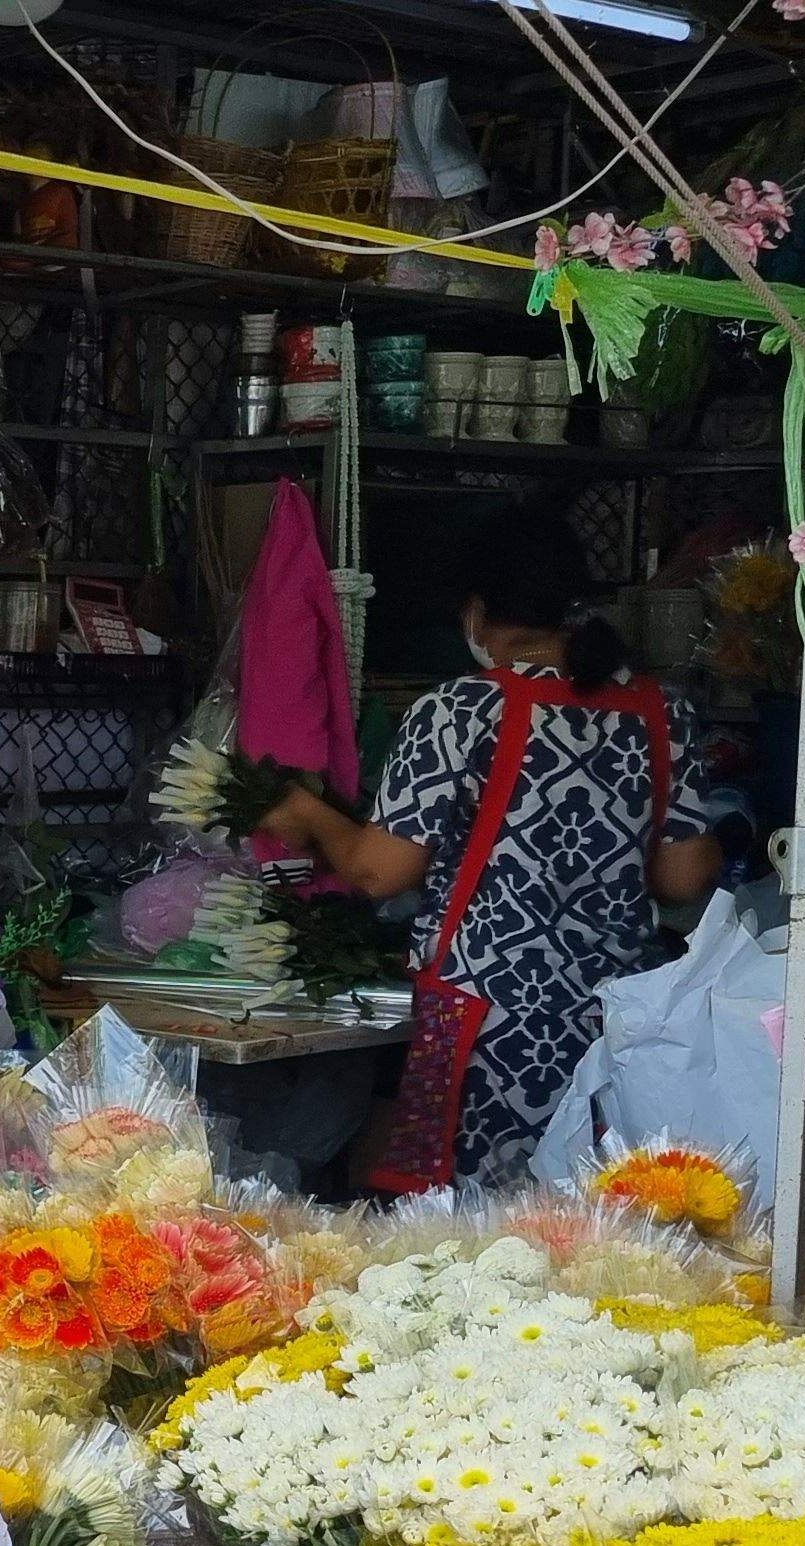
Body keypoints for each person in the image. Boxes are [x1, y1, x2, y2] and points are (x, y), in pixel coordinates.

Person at [258, 507, 726, 1185]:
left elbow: (376, 871)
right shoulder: (661, 712)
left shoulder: (458, 711)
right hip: (616, 1019)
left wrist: (308, 813)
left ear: (477, 612)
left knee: (467, 1232)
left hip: (485, 1029)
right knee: (592, 1214)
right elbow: (684, 879)